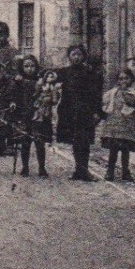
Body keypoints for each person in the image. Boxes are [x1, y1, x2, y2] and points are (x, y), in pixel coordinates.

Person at [55, 45, 102, 181]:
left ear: (84, 56)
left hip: (85, 111)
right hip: (68, 111)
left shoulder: (90, 72)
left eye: (79, 55)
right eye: (73, 54)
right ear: (69, 56)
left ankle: (84, 170)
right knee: (75, 141)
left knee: (84, 141)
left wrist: (97, 112)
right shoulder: (63, 72)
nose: (76, 57)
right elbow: (48, 78)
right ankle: (78, 170)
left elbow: (96, 94)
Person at [100, 67, 135, 182]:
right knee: (113, 150)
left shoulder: (134, 93)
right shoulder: (112, 93)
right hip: (114, 126)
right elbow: (104, 103)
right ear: (117, 81)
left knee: (125, 151)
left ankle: (126, 172)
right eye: (121, 79)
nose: (123, 81)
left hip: (127, 126)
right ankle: (110, 171)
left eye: (126, 78)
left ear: (131, 80)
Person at [12, 54, 51, 176]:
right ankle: (25, 167)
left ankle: (42, 168)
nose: (29, 69)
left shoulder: (41, 82)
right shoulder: (18, 82)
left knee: (39, 142)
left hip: (38, 114)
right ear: (21, 68)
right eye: (26, 66)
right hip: (24, 114)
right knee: (25, 141)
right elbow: (14, 96)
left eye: (32, 66)